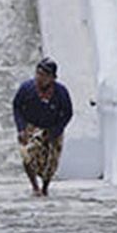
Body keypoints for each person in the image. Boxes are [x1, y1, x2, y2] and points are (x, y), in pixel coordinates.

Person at [12, 57, 73, 197]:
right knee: (27, 155)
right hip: (31, 126)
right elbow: (17, 106)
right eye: (38, 74)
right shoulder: (26, 88)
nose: (40, 78)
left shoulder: (61, 92)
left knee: (51, 161)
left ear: (52, 78)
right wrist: (21, 128)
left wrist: (57, 129)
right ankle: (34, 186)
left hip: (52, 127)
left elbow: (68, 112)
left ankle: (45, 186)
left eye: (44, 75)